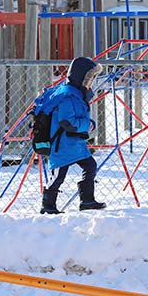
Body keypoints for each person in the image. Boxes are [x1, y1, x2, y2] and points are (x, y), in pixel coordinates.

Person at [40, 57, 106, 214]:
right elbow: (66, 121)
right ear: (80, 77)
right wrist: (87, 125)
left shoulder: (78, 94)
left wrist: (89, 124)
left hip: (75, 143)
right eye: (90, 78)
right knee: (58, 176)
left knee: (90, 166)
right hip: (62, 144)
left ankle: (87, 200)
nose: (92, 82)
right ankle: (48, 205)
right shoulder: (67, 96)